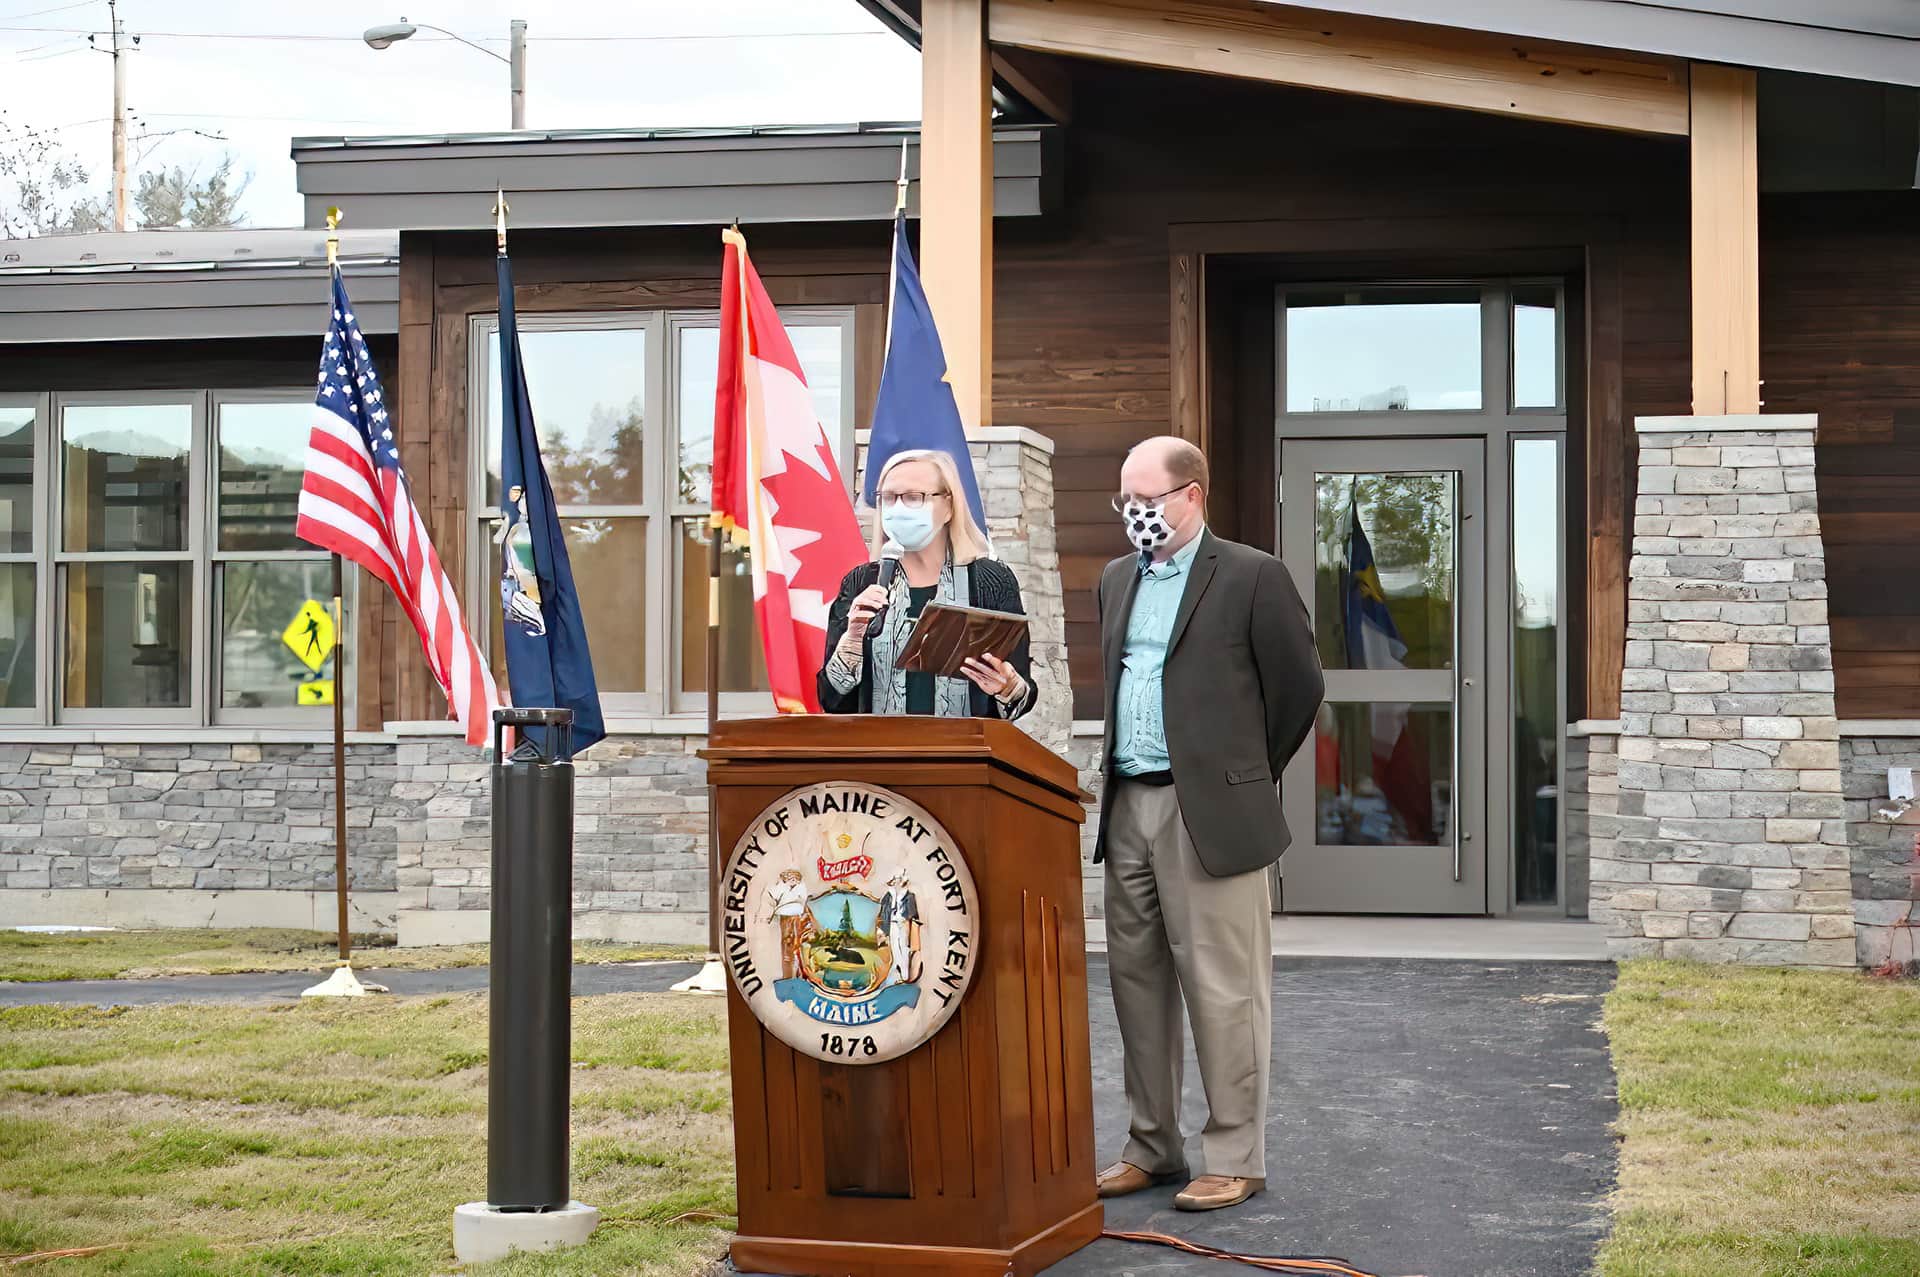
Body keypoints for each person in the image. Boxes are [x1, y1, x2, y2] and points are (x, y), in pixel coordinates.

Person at [1094, 435, 1323, 1213]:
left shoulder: (1254, 575)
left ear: (1191, 495)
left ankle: (1235, 1155)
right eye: (1124, 501)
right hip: (1127, 803)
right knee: (1136, 983)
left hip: (1209, 814)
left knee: (1225, 990)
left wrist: (1241, 777)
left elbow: (1298, 688)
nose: (1134, 515)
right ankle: (1151, 1145)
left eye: (1147, 500)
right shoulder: (1115, 578)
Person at [819, 448, 1036, 719]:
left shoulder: (990, 581)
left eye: (913, 497)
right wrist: (851, 641)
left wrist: (1006, 687)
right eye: (888, 497)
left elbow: (1022, 695)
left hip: (964, 755)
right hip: (881, 755)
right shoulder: (861, 582)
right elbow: (832, 700)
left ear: (948, 506)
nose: (898, 508)